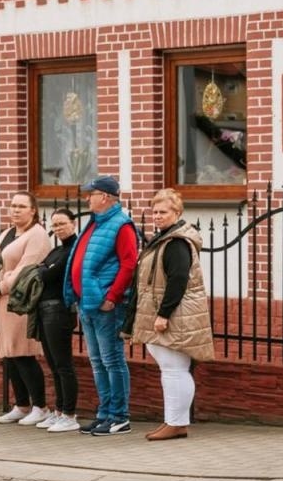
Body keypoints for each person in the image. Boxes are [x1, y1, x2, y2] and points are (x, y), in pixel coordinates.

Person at [126, 188, 214, 441]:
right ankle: (174, 421)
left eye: (163, 212)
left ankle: (176, 423)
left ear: (177, 212)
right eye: (154, 211)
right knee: (171, 368)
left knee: (175, 368)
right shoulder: (165, 238)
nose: (157, 216)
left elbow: (178, 280)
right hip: (166, 312)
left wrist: (164, 314)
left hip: (174, 314)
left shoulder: (176, 242)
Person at [64, 176, 138, 436]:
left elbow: (129, 264)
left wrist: (112, 297)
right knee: (97, 361)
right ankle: (105, 413)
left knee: (112, 360)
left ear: (105, 197)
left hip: (106, 306)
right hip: (88, 304)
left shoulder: (121, 225)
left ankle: (119, 416)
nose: (87, 198)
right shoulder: (96, 223)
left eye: (91, 194)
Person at [0, 192, 51, 426]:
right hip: (0, 303)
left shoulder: (38, 236)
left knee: (23, 354)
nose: (15, 210)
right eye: (13, 206)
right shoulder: (7, 233)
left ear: (33, 210)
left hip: (20, 304)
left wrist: (0, 288)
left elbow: (26, 270)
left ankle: (40, 407)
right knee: (8, 356)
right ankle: (21, 405)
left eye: (22, 206)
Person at [33, 208, 83, 433]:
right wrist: (44, 269)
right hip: (44, 310)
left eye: (62, 223)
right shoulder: (57, 250)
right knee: (53, 365)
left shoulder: (74, 249)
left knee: (63, 365)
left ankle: (70, 415)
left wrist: (44, 270)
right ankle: (59, 411)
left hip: (59, 311)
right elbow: (40, 269)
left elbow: (47, 274)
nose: (58, 228)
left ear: (73, 223)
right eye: (54, 225)